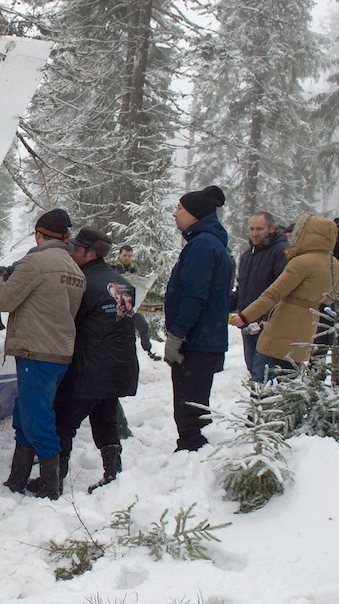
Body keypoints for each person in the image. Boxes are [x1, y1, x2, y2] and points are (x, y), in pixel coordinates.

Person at [0, 208, 86, 499]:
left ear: (39, 235)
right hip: (59, 351)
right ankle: (16, 481)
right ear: (65, 238)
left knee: (36, 419)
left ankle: (50, 486)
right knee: (26, 413)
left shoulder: (35, 263)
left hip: (36, 351)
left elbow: (3, 301)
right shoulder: (75, 270)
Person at [45, 227, 138, 494]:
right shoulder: (122, 282)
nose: (70, 251)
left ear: (90, 253)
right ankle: (113, 474)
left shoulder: (81, 282)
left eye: (75, 248)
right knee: (105, 418)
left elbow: (65, 320)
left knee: (63, 421)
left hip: (90, 366)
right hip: (119, 364)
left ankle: (53, 482)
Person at [231, 214, 339, 381]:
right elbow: (330, 297)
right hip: (307, 327)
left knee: (262, 377)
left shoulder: (301, 262)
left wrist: (245, 315)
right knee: (287, 379)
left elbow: (274, 293)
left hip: (280, 326)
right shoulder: (335, 264)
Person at [163, 185, 230, 452]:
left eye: (180, 208)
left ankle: (192, 452)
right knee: (194, 403)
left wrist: (177, 335)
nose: (175, 213)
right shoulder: (206, 241)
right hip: (204, 339)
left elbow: (194, 295)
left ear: (195, 214)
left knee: (189, 406)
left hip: (197, 342)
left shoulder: (202, 245)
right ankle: (193, 448)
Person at [231, 212, 289, 378]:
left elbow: (281, 290)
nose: (255, 233)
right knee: (253, 369)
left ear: (271, 228)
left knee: (263, 374)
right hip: (247, 323)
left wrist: (267, 318)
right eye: (251, 229)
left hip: (268, 326)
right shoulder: (248, 255)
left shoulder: (281, 252)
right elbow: (242, 289)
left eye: (259, 229)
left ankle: (264, 403)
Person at [111, 244, 160, 360]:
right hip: (115, 303)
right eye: (125, 255)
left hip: (131, 303)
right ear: (119, 255)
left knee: (143, 326)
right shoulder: (112, 267)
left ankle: (148, 351)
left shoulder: (133, 269)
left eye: (129, 256)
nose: (127, 258)